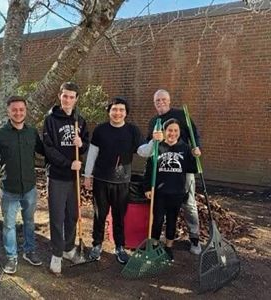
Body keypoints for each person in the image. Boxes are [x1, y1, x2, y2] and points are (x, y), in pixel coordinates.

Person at [83, 96, 151, 265]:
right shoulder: (100, 130)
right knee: (100, 215)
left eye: (121, 110)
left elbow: (144, 152)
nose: (117, 113)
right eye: (114, 109)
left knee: (119, 216)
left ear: (126, 113)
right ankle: (97, 245)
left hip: (122, 182)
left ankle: (119, 246)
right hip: (101, 180)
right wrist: (87, 175)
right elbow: (92, 154)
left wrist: (154, 142)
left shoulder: (132, 131)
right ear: (109, 111)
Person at [146, 89, 202, 255]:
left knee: (189, 203)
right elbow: (149, 146)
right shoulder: (154, 121)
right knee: (160, 212)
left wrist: (196, 150)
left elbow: (194, 134)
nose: (161, 103)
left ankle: (194, 238)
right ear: (154, 103)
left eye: (163, 99)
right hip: (163, 168)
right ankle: (157, 241)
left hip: (182, 166)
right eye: (157, 101)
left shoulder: (181, 114)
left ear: (169, 101)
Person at [43, 82, 89, 274]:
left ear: (76, 99)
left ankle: (69, 248)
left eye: (72, 97)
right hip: (57, 176)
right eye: (65, 96)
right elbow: (48, 148)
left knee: (73, 214)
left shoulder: (80, 120)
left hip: (74, 177)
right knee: (57, 216)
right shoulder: (50, 120)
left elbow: (86, 144)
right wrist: (67, 163)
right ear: (60, 96)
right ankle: (56, 253)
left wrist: (82, 144)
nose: (68, 100)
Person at [0, 95, 45, 274]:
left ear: (26, 111)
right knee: (9, 225)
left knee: (29, 222)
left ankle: (29, 251)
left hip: (29, 188)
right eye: (14, 110)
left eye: (21, 109)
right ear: (8, 111)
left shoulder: (32, 132)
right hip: (9, 188)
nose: (18, 113)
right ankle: (11, 257)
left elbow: (44, 150)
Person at [143, 118, 197, 261]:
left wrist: (196, 156)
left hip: (177, 192)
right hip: (160, 192)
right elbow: (148, 169)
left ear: (179, 133)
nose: (172, 133)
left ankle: (168, 247)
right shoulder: (157, 147)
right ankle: (154, 245)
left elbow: (192, 168)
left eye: (175, 131)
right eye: (170, 130)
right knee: (158, 220)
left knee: (172, 220)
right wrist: (147, 187)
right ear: (164, 131)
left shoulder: (185, 148)